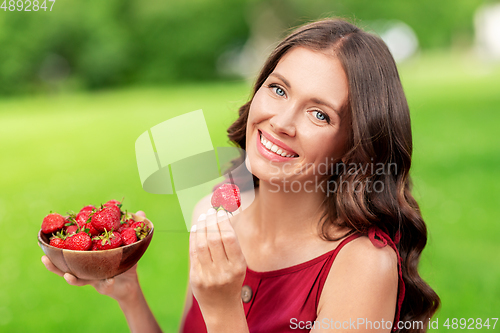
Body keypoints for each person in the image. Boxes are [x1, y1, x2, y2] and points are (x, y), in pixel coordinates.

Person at [42, 18, 440, 333]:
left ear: (355, 146)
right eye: (279, 90)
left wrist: (222, 311)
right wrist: (129, 295)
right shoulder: (212, 214)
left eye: (320, 114)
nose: (281, 122)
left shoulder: (364, 265)